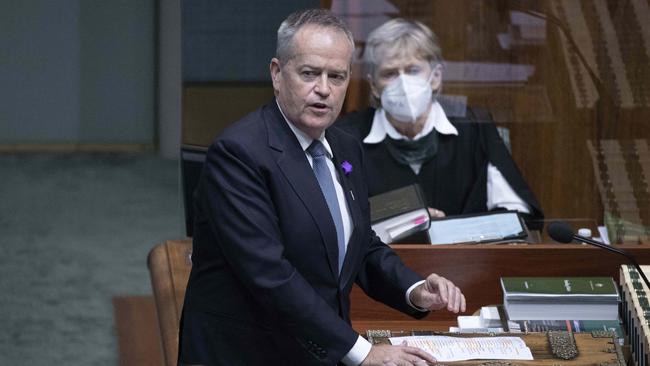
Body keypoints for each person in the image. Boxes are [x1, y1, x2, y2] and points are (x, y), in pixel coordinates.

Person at [179, 9, 466, 366]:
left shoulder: (345, 148)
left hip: (318, 352)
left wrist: (414, 290)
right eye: (310, 74)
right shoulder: (239, 153)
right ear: (277, 74)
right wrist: (362, 353)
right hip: (249, 353)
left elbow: (361, 243)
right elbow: (271, 275)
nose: (324, 90)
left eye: (337, 76)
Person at [337, 19, 543, 229]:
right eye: (390, 74)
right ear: (373, 86)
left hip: (464, 259)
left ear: (435, 76)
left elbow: (519, 214)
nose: (403, 84)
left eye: (413, 70)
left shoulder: (473, 127)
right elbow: (338, 216)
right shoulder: (346, 136)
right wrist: (405, 218)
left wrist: (454, 230)